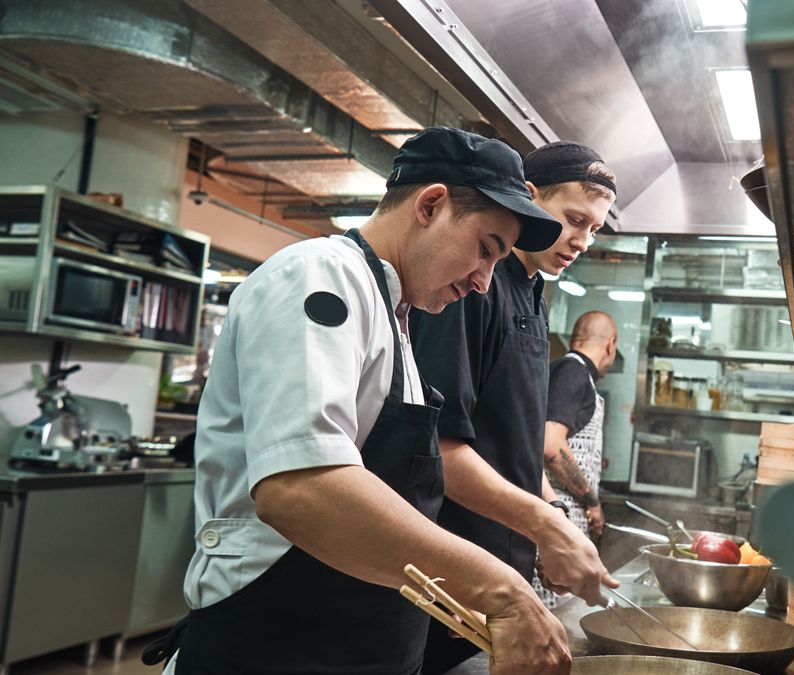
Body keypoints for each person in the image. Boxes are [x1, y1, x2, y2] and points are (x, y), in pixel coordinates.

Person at [145, 127, 573, 675]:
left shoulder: (395, 315)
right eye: (485, 250)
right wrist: (502, 591)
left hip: (351, 644)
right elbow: (303, 487)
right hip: (273, 645)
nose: (485, 282)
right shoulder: (319, 274)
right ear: (432, 204)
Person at [410, 141, 619, 673]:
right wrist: (547, 529)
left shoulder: (534, 294)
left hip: (500, 575)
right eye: (574, 219)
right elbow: (439, 447)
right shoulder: (469, 286)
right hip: (449, 572)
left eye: (594, 229)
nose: (582, 241)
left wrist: (550, 521)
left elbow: (516, 441)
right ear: (528, 199)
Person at [536, 311, 618, 608]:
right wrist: (591, 500)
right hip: (555, 516)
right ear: (610, 345)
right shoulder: (573, 372)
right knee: (550, 614)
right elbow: (551, 446)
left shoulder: (568, 371)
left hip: (560, 521)